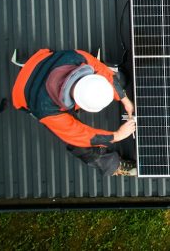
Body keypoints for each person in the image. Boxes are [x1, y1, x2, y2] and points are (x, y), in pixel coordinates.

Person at [12, 48, 138, 176]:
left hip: (38, 63)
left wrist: (124, 99)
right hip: (25, 94)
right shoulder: (46, 111)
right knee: (78, 144)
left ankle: (119, 85)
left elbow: (103, 71)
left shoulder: (77, 57)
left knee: (118, 80)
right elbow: (81, 136)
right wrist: (117, 135)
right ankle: (113, 166)